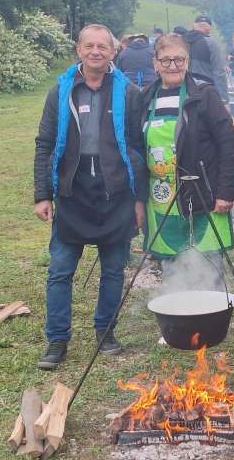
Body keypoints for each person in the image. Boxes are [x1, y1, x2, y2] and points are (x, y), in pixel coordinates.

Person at [33, 24, 148, 370]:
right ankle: (57, 340)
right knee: (60, 270)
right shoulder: (62, 90)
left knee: (113, 270)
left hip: (116, 193)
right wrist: (43, 194)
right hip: (73, 190)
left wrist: (139, 199)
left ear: (114, 52)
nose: (96, 51)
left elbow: (138, 148)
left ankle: (106, 331)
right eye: (89, 46)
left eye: (103, 46)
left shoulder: (128, 92)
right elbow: (45, 143)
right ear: (78, 50)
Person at [139, 33, 234, 262]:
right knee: (172, 269)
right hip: (161, 197)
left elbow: (228, 142)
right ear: (155, 63)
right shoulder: (145, 98)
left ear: (188, 61)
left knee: (207, 267)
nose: (172, 65)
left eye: (179, 59)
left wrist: (225, 191)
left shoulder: (204, 94)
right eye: (165, 60)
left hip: (203, 196)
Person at [185, 15, 229, 101]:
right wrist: (224, 100)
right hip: (205, 93)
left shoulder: (181, 41)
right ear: (208, 30)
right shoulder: (211, 43)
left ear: (194, 26)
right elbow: (219, 73)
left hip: (185, 92)